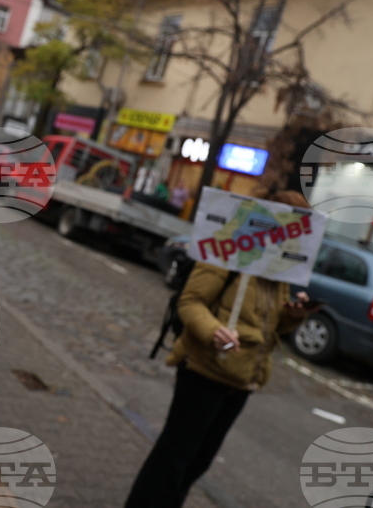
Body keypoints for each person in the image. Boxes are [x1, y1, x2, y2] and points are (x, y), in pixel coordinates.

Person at [124, 190, 320, 508]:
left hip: (242, 379)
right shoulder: (229, 251)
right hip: (205, 369)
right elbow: (190, 301)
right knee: (174, 457)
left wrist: (293, 317)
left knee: (198, 461)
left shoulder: (278, 268)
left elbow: (269, 324)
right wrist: (214, 330)